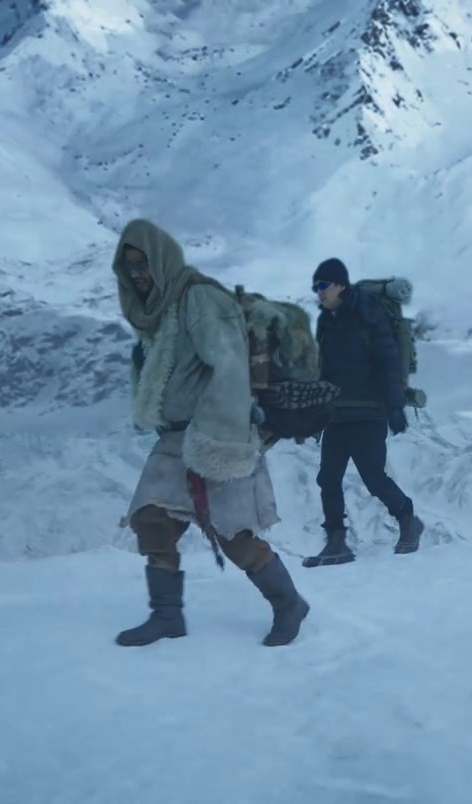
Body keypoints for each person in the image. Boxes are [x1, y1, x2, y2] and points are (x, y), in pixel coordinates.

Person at [111, 218, 309, 648]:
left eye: (143, 263)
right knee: (152, 518)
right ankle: (166, 616)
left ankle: (289, 605)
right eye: (129, 266)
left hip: (219, 432)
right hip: (173, 438)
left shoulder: (200, 299)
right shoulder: (157, 312)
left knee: (235, 535)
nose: (138, 273)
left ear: (162, 259)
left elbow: (230, 366)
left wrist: (222, 441)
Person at [302, 258, 424, 567]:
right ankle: (336, 542)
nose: (319, 291)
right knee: (328, 479)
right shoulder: (326, 321)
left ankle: (408, 519)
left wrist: (394, 407)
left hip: (368, 413)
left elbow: (387, 361)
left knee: (373, 478)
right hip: (336, 414)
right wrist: (315, 413)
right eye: (316, 286)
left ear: (340, 285)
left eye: (323, 285)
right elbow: (322, 370)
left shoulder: (369, 314)